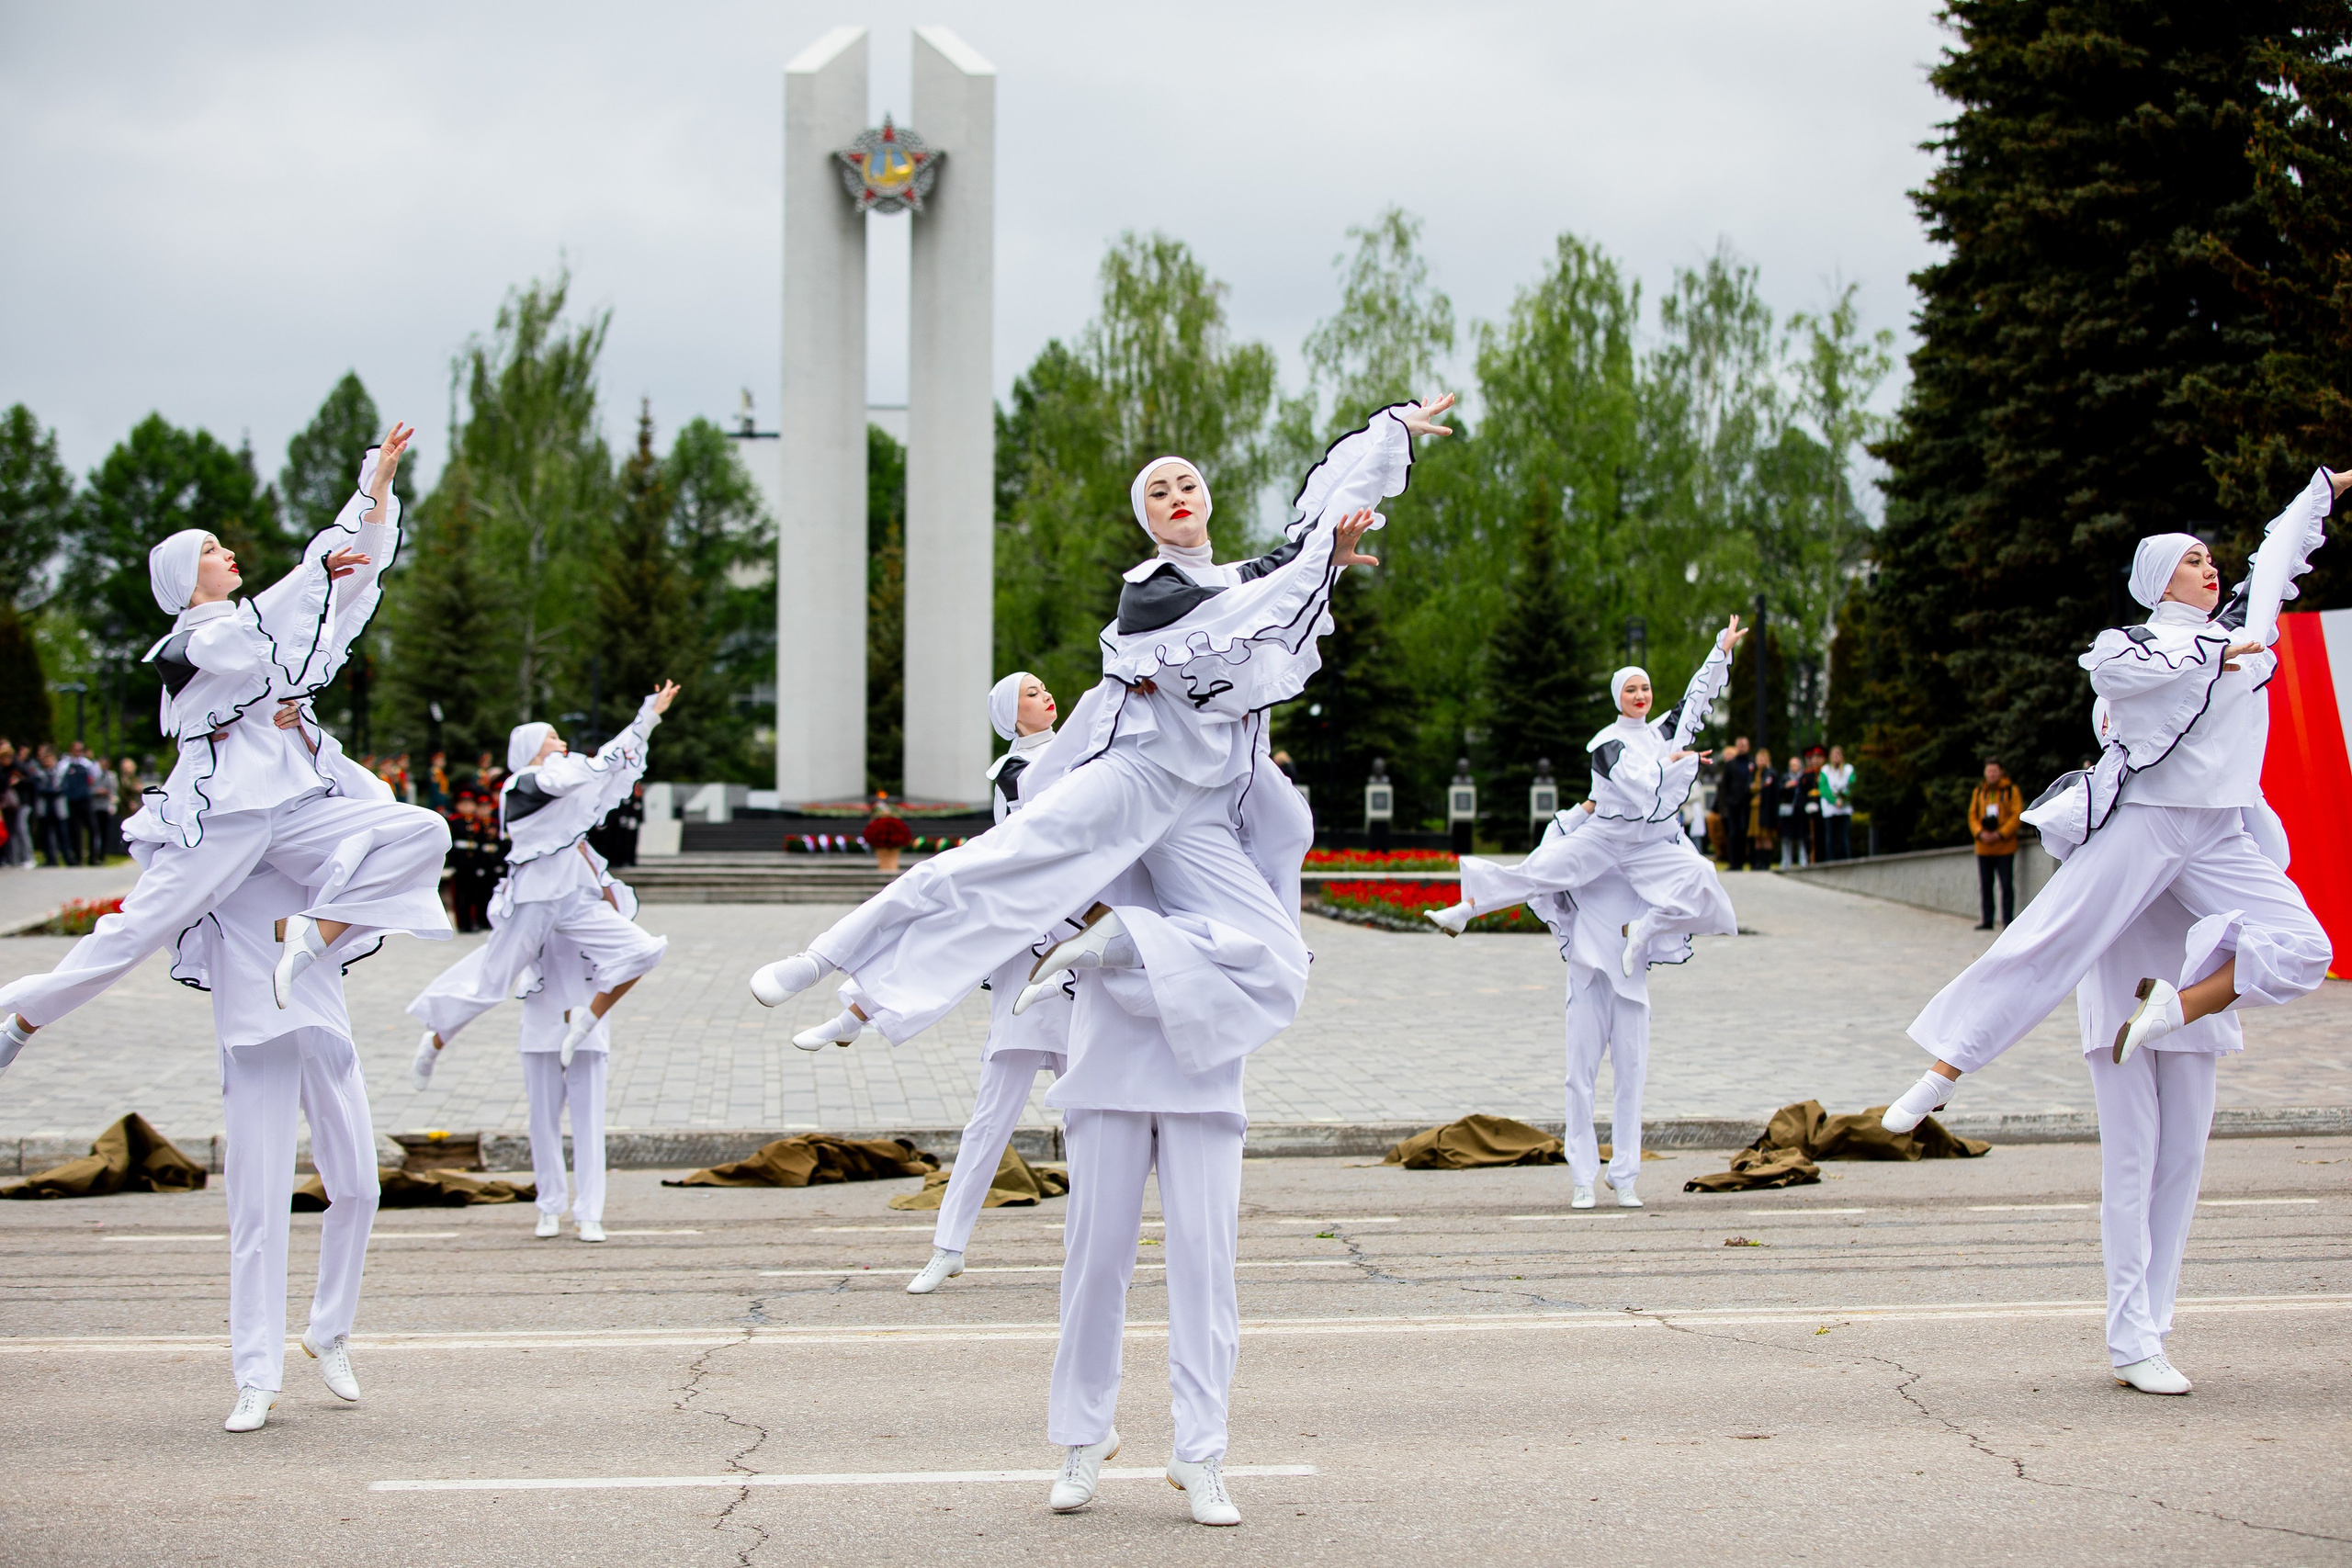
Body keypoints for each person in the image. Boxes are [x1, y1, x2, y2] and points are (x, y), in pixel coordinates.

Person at [748, 398, 1454, 1066]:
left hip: (1201, 807)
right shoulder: (1151, 589)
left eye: (1187, 485)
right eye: (1159, 492)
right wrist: (1319, 563)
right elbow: (1263, 596)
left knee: (1277, 959)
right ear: (1148, 519)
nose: (1177, 496)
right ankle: (821, 958)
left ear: (1207, 499)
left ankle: (1119, 942)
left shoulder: (1237, 580)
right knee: (991, 868)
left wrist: (1389, 436)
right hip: (1134, 780)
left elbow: (1304, 540)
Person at [1880, 472, 2343, 1366]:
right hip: (2148, 823)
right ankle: (1943, 1068)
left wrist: (2323, 489)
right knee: (2052, 952)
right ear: (2162, 578)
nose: (2210, 567)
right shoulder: (2136, 646)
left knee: (2300, 955)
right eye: (2192, 560)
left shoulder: (2241, 631)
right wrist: (2210, 658)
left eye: (2210, 558)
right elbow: (2115, 676)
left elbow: (2278, 554)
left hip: (2216, 840)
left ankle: (2182, 1008)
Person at [0, 426, 453, 1068]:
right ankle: (21, 1018)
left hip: (290, 806)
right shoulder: (184, 645)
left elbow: (351, 576)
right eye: (211, 550)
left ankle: (311, 933)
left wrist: (376, 486)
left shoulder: (259, 626)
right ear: (186, 579)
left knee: (422, 831)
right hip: (220, 816)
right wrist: (310, 576)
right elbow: (248, 636)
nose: (229, 552)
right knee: (134, 930)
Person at [1011, 688, 1309, 1529]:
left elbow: (1286, 836)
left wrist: (1238, 723)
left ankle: (1201, 1450)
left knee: (1205, 1265)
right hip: (1109, 1045)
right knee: (1094, 1260)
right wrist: (1113, 699)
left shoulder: (1227, 773)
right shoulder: (1107, 763)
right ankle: (1083, 1436)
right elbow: (1037, 803)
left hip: (1203, 1053)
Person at [405, 684, 680, 1238]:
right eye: (550, 737)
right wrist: (637, 722)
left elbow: (607, 775)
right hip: (534, 898)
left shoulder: (579, 840)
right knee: (490, 982)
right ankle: (435, 1039)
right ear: (529, 749)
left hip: (571, 904)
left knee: (642, 949)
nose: (560, 742)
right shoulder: (525, 783)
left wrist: (648, 720)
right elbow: (579, 774)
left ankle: (588, 1024)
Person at [1424, 619, 1747, 987]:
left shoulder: (1658, 734)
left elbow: (1693, 700)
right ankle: (1465, 910)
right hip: (1604, 837)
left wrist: (1720, 650)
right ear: (1618, 697)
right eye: (1630, 690)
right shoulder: (1607, 743)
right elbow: (1636, 783)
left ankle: (1643, 929)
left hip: (1646, 843)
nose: (1640, 695)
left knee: (1703, 878)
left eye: (1644, 688)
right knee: (1539, 871)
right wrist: (1672, 763)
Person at [190, 861, 380, 1432]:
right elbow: (137, 921)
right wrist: (32, 1012)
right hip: (254, 1041)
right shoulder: (209, 852)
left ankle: (328, 1330)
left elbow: (401, 844)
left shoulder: (319, 844)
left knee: (360, 1188)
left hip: (323, 1028)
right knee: (258, 1210)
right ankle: (256, 1377)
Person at [904, 671, 1075, 1297]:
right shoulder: (1015, 773)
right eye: (1030, 692)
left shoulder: (1076, 751)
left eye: (1043, 688)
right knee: (991, 1118)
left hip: (1078, 958)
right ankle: (948, 1247)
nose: (1045, 695)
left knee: (1088, 1117)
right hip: (1029, 960)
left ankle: (1091, 1252)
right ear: (1010, 714)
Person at [1520, 804, 1660, 1208]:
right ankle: (1583, 1177)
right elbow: (1544, 854)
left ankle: (1624, 1176)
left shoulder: (1646, 834)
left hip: (1630, 978)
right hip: (1586, 973)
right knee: (1579, 1077)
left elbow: (1685, 861)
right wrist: (1585, 808)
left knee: (1631, 1078)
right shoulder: (1582, 836)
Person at [1969, 758, 2023, 929]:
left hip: (2004, 847)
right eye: (1989, 771)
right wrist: (1980, 833)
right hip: (1983, 847)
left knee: (2006, 885)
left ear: (2001, 772)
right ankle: (1987, 920)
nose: (1991, 774)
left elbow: (2016, 815)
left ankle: (2007, 920)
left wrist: (2000, 833)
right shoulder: (1979, 792)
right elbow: (1972, 816)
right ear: (1985, 773)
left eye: (1994, 771)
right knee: (1986, 885)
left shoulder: (2011, 790)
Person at [1713, 739, 1752, 870]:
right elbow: (1725, 785)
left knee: (1746, 833)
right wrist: (1728, 802)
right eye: (1739, 745)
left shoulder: (1751, 763)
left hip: (1747, 804)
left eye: (1744, 745)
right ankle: (1734, 862)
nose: (1742, 747)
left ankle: (1748, 860)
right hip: (1733, 805)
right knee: (1733, 833)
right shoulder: (1730, 765)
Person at [1818, 744, 1855, 861]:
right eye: (1834, 755)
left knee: (1844, 836)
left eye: (1838, 755)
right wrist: (1834, 800)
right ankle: (1831, 860)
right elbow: (1823, 788)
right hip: (1830, 809)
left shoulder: (1849, 769)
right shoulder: (1825, 770)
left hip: (1844, 808)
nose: (1836, 757)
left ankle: (1845, 859)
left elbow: (1852, 786)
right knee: (1830, 837)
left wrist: (1843, 799)